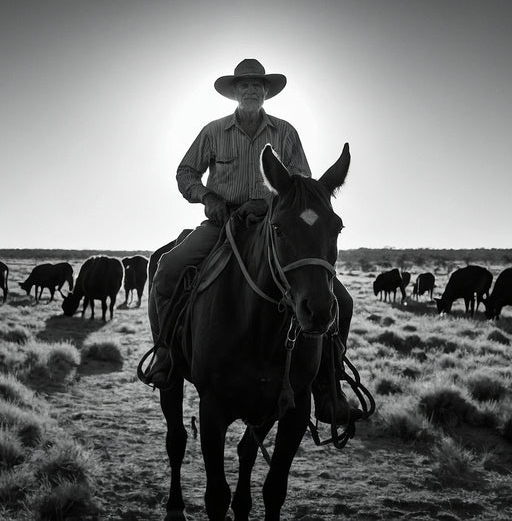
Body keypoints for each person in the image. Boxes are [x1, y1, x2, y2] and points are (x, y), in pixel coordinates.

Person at [140, 58, 362, 427]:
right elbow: (185, 172)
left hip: (276, 222)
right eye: (244, 85)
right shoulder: (213, 131)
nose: (251, 90)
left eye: (257, 85)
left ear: (265, 92)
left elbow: (302, 183)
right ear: (234, 91)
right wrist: (208, 198)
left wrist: (272, 202)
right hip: (222, 220)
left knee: (341, 298)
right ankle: (166, 355)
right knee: (168, 269)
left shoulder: (286, 132)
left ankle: (328, 387)